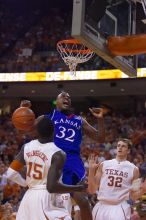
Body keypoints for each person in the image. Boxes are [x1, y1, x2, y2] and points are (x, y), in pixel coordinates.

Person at [20, 91, 105, 220]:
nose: (67, 98)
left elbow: (100, 138)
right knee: (50, 202)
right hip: (52, 160)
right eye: (63, 96)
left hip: (72, 162)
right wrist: (23, 110)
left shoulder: (79, 120)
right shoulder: (47, 117)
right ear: (56, 101)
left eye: (69, 97)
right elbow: (26, 130)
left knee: (83, 201)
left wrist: (100, 119)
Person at [6, 116, 87, 220]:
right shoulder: (58, 153)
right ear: (54, 131)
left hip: (29, 197)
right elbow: (51, 187)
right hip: (46, 198)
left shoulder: (26, 147)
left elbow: (11, 173)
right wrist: (78, 188)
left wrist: (26, 183)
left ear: (37, 132)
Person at [88, 138, 146, 220]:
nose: (120, 148)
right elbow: (92, 190)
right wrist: (91, 170)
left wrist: (143, 190)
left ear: (128, 151)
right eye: (118, 145)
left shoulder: (134, 169)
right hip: (101, 206)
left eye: (123, 146)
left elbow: (132, 196)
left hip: (119, 207)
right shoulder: (104, 164)